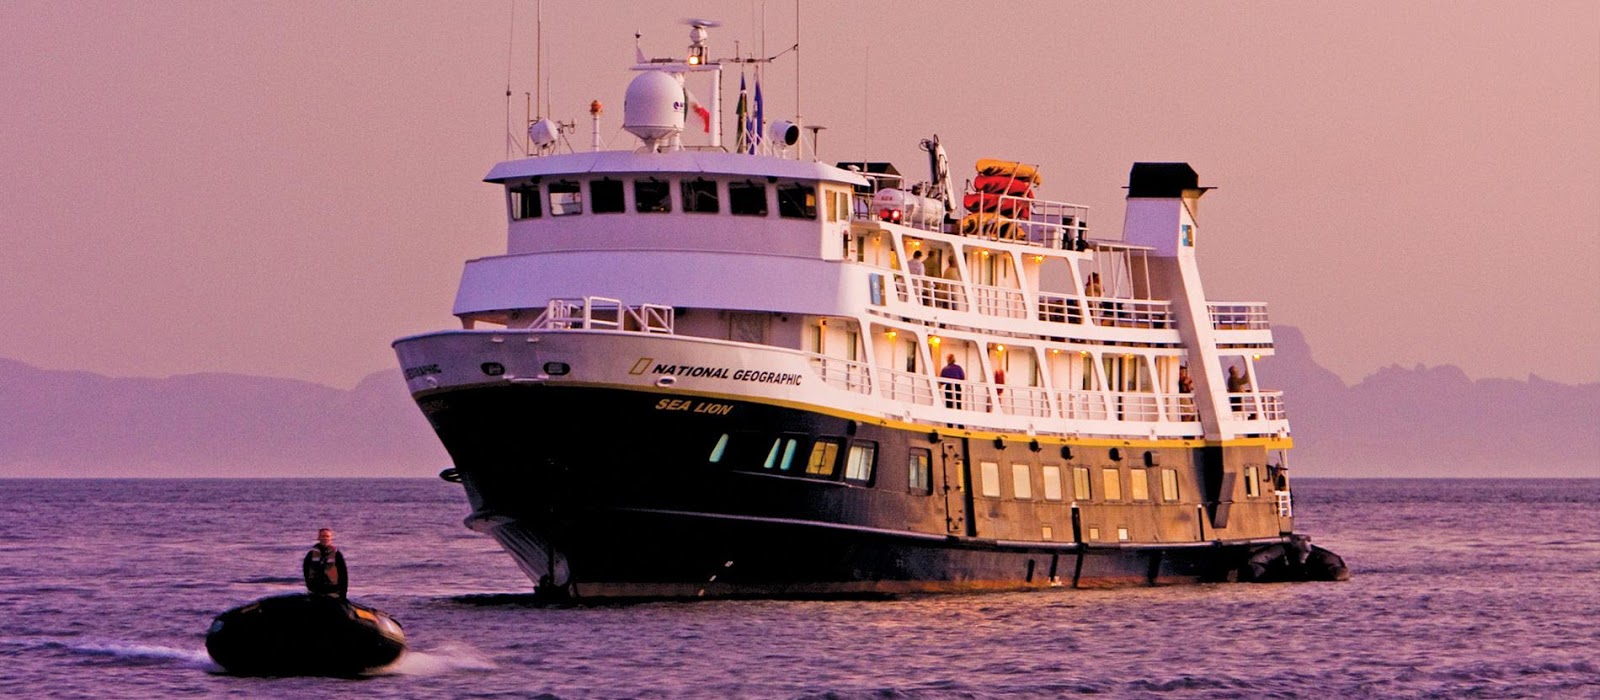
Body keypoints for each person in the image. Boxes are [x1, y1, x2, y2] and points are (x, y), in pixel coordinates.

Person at [303, 527, 348, 598]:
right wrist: (309, 586)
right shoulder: (311, 554)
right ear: (318, 538)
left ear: (331, 538)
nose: (325, 538)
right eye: (323, 536)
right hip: (315, 592)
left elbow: (343, 575)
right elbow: (306, 571)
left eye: (327, 536)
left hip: (332, 592)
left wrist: (343, 594)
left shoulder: (337, 554)